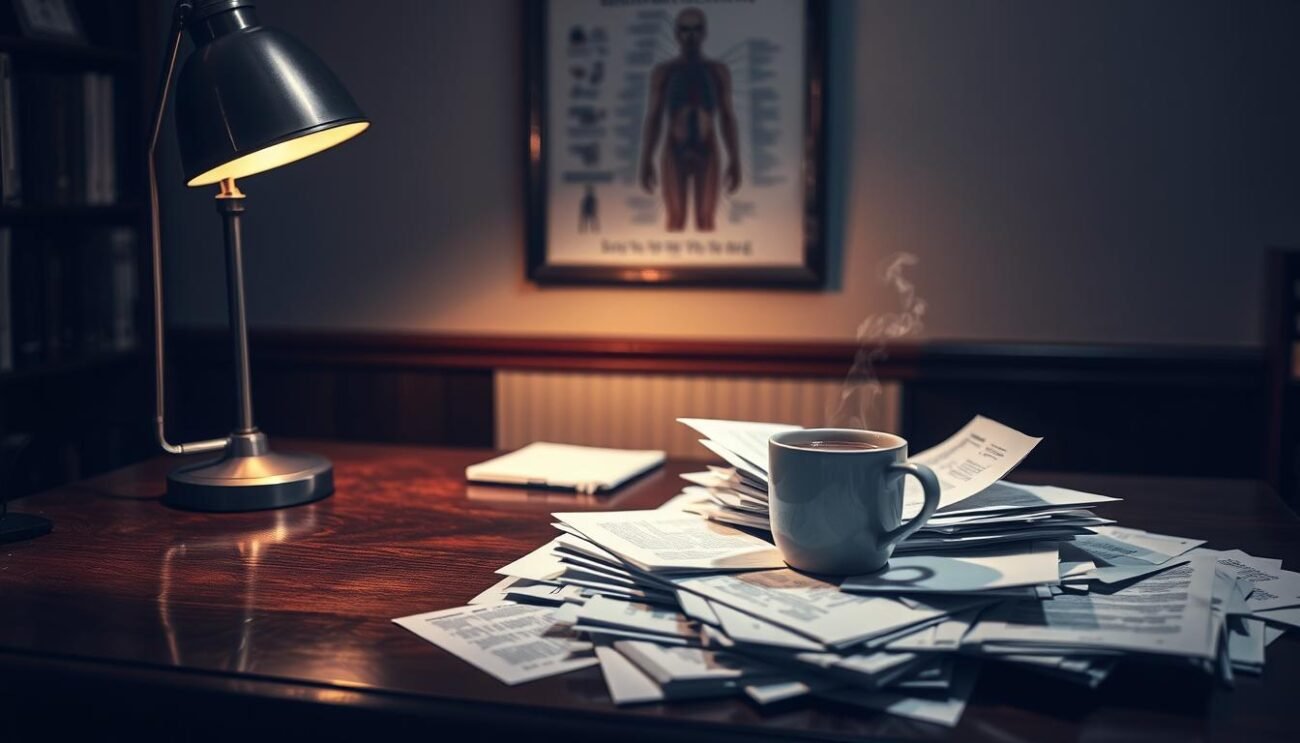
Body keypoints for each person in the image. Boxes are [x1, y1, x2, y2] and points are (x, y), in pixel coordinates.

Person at [638, 7, 740, 232]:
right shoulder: (664, 72)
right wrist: (645, 160)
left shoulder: (718, 71)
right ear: (676, 33)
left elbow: (727, 116)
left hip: (707, 148)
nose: (690, 36)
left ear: (704, 33)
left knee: (706, 220)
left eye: (696, 29)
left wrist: (735, 160)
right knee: (675, 219)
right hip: (674, 149)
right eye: (685, 30)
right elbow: (654, 116)